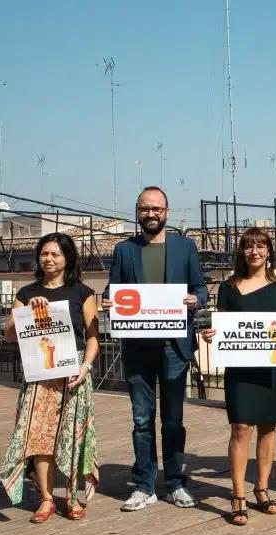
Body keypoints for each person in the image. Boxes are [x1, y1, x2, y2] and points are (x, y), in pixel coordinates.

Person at [102, 186, 208, 512]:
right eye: (145, 209)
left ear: (167, 212)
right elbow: (113, 290)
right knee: (142, 420)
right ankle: (145, 485)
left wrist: (197, 299)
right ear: (137, 212)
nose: (151, 214)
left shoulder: (185, 247)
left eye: (156, 209)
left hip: (174, 348)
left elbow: (201, 287)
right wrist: (109, 302)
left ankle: (175, 483)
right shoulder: (124, 250)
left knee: (173, 420)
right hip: (137, 348)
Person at [200, 228, 276, 525]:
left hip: (271, 368)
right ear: (241, 252)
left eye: (260, 246)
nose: (254, 251)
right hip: (239, 369)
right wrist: (210, 335)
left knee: (268, 428)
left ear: (269, 251)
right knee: (241, 427)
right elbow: (218, 327)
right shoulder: (228, 288)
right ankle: (237, 494)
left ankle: (262, 488)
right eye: (248, 246)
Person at [0, 232, 99, 523]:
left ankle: (70, 497)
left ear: (68, 258)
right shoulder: (26, 294)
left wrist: (86, 368)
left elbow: (93, 338)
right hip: (40, 376)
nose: (49, 259)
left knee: (71, 437)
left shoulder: (82, 292)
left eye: (56, 254)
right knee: (40, 438)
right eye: (45, 254)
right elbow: (8, 335)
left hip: (73, 375)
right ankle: (45, 498)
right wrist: (27, 314)